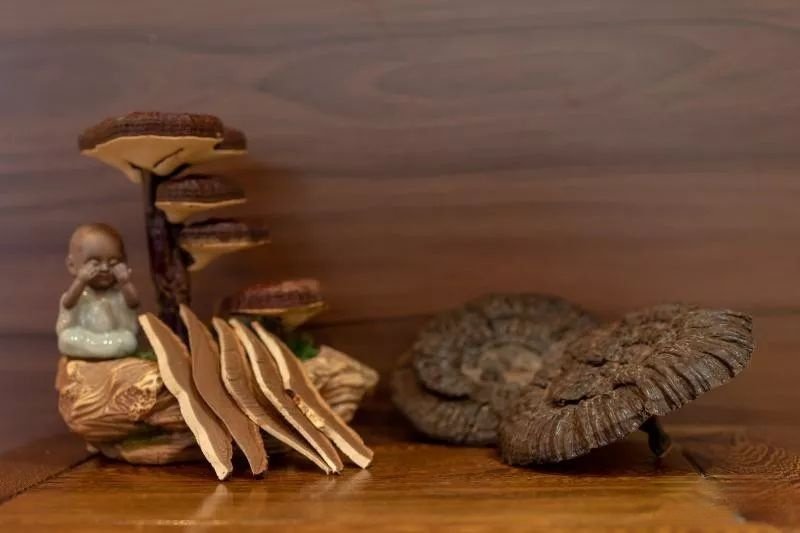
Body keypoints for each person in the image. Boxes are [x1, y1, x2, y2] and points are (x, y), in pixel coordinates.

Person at [56, 223, 140, 359]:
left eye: (113, 263)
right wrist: (80, 280)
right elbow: (68, 304)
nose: (105, 268)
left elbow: (134, 304)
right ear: (72, 266)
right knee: (66, 339)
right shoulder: (78, 295)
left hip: (114, 337)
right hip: (83, 338)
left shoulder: (119, 295)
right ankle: (101, 351)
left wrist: (125, 282)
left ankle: (103, 351)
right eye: (95, 263)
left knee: (128, 341)